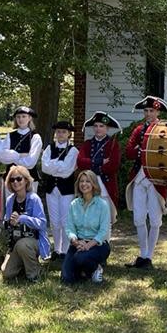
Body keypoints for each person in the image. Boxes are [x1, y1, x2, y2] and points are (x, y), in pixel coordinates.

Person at [124, 95, 167, 269]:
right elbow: (129, 152)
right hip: (139, 176)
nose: (148, 114)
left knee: (155, 219)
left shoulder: (164, 129)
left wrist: (141, 150)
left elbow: (166, 154)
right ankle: (143, 254)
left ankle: (149, 256)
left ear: (158, 112)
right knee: (139, 218)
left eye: (152, 110)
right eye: (146, 111)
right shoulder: (138, 130)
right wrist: (144, 152)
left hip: (156, 179)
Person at [62, 170, 112, 284]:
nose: (84, 184)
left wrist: (88, 245)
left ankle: (95, 268)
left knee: (80, 258)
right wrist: (76, 242)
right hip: (78, 243)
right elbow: (70, 227)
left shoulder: (102, 205)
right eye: (81, 181)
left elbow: (103, 231)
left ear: (94, 184)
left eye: (88, 181)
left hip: (97, 245)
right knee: (67, 278)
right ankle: (83, 272)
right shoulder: (74, 204)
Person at [1, 165, 50, 281]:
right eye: (12, 180)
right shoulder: (10, 200)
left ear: (26, 181)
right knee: (7, 273)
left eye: (19, 179)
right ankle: (25, 264)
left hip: (35, 241)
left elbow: (42, 223)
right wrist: (9, 222)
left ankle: (34, 274)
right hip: (15, 242)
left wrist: (22, 218)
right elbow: (5, 223)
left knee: (23, 245)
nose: (15, 182)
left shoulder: (34, 199)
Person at [40, 121, 78, 260]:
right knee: (54, 220)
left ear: (69, 134)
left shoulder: (73, 150)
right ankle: (56, 248)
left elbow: (67, 171)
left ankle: (65, 250)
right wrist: (58, 165)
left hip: (66, 189)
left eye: (63, 132)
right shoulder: (49, 148)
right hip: (51, 189)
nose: (60, 134)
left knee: (65, 220)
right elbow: (45, 168)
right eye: (58, 131)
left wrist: (53, 165)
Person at [77, 111, 121, 224]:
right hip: (89, 185)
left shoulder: (113, 144)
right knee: (89, 219)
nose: (98, 129)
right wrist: (100, 162)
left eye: (101, 126)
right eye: (95, 126)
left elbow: (113, 165)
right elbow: (80, 162)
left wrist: (92, 167)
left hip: (106, 185)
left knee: (106, 220)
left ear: (107, 128)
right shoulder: (87, 144)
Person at [0, 106, 43, 193]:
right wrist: (21, 155)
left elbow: (30, 162)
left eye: (24, 116)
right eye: (18, 117)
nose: (21, 119)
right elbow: (2, 157)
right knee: (10, 201)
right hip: (10, 178)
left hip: (29, 178)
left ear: (29, 118)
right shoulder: (9, 136)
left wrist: (12, 156)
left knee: (29, 201)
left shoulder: (35, 137)